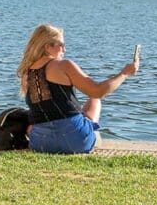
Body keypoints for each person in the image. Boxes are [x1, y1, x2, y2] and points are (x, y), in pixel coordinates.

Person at [17, 24, 139, 154]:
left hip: (41, 143)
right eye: (61, 44)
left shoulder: (26, 74)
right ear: (47, 47)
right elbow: (98, 91)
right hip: (75, 141)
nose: (65, 49)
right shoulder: (63, 65)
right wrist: (124, 73)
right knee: (94, 99)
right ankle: (93, 134)